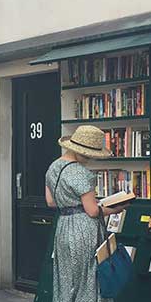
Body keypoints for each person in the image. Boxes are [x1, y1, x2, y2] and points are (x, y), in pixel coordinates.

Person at [45, 125, 130, 302]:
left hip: (63, 229)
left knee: (67, 278)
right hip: (84, 232)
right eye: (90, 156)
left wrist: (70, 203)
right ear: (82, 152)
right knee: (89, 280)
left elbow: (51, 202)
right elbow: (92, 211)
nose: (90, 160)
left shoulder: (53, 167)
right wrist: (116, 208)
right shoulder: (82, 173)